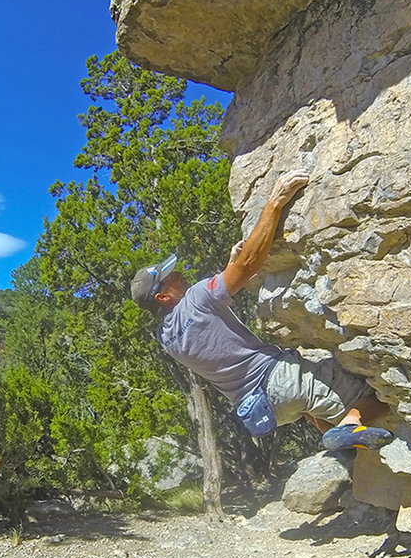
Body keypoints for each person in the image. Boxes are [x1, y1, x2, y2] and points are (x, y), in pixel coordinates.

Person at [130, 169, 394, 451]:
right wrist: (275, 203)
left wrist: (228, 269)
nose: (180, 273)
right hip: (281, 380)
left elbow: (208, 321)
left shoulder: (167, 340)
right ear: (162, 297)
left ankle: (345, 451)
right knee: (379, 395)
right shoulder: (197, 297)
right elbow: (248, 266)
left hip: (265, 408)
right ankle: (350, 425)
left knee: (315, 403)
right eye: (171, 277)